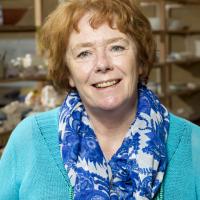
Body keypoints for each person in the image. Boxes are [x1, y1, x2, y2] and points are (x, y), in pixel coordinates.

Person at [0, 0, 200, 199]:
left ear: (140, 61)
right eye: (84, 53)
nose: (102, 64)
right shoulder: (29, 139)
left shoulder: (193, 144)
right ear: (68, 73)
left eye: (117, 48)